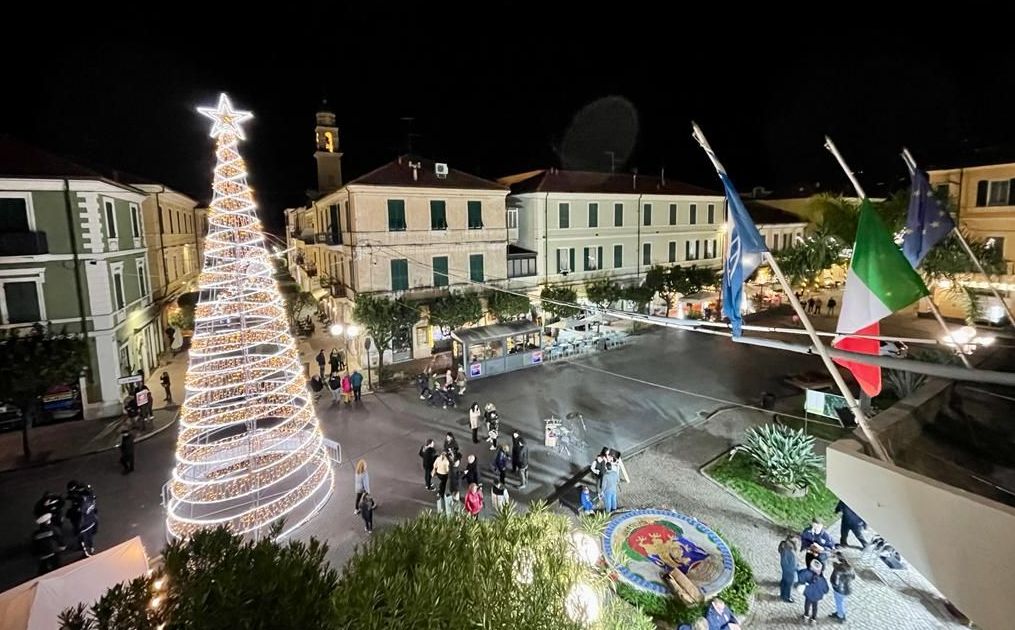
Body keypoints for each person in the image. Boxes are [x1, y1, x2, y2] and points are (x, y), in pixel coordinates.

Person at [798, 559, 829, 623]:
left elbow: (800, 578)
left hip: (809, 594)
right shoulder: (822, 580)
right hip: (817, 596)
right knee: (815, 606)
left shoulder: (807, 573)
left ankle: (806, 615)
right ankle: (813, 619)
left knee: (807, 604)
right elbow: (826, 590)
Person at [829, 553, 854, 623]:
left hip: (839, 590)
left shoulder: (838, 570)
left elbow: (835, 581)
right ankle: (840, 613)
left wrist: (834, 585)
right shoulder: (850, 568)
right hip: (848, 588)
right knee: (841, 602)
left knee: (839, 603)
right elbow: (853, 577)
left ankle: (840, 616)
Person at [76, 485, 98, 556]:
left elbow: (81, 514)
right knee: (90, 537)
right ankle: (91, 548)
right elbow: (92, 493)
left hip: (85, 525)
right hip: (92, 521)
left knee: (82, 538)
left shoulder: (83, 505)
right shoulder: (91, 498)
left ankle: (86, 552)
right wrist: (90, 488)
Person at [778, 534, 800, 602]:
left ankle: (783, 594)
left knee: (784, 581)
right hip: (789, 569)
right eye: (796, 541)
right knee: (789, 583)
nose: (797, 542)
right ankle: (786, 597)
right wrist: (792, 568)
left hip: (788, 568)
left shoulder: (787, 547)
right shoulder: (787, 549)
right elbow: (786, 561)